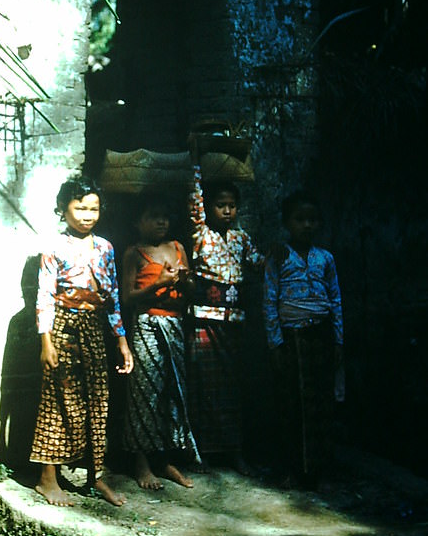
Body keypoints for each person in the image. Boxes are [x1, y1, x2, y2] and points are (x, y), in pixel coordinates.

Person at [31, 176, 133, 507]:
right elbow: (45, 295)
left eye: (94, 209)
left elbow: (112, 297)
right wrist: (46, 342)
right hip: (63, 328)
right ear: (63, 210)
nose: (87, 216)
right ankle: (47, 479)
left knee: (98, 402)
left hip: (94, 329)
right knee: (57, 401)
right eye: (80, 208)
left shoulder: (105, 248)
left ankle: (96, 476)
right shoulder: (54, 248)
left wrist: (121, 340)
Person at [263, 190, 344, 488]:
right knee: (292, 402)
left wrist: (338, 341)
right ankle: (292, 469)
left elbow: (335, 300)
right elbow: (269, 300)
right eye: (300, 219)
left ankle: (320, 470)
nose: (307, 225)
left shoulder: (326, 258)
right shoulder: (279, 256)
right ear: (287, 223)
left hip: (321, 334)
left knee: (322, 402)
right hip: (292, 337)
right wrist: (275, 343)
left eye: (312, 220)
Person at [120, 193, 200, 490]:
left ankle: (165, 459)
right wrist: (159, 283)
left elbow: (192, 291)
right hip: (147, 325)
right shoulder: (134, 253)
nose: (161, 222)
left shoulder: (177, 248)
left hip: (175, 325)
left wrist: (186, 281)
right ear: (137, 222)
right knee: (144, 392)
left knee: (171, 390)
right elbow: (127, 297)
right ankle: (141, 462)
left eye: (165, 217)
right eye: (153, 217)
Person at [188, 163, 263, 472]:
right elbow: (194, 205)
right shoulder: (201, 234)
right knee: (205, 384)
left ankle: (234, 450)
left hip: (235, 322)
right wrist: (196, 164)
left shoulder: (241, 238)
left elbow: (258, 263)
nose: (227, 211)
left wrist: (274, 256)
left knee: (233, 387)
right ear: (208, 208)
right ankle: (204, 451)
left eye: (232, 205)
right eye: (221, 205)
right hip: (206, 320)